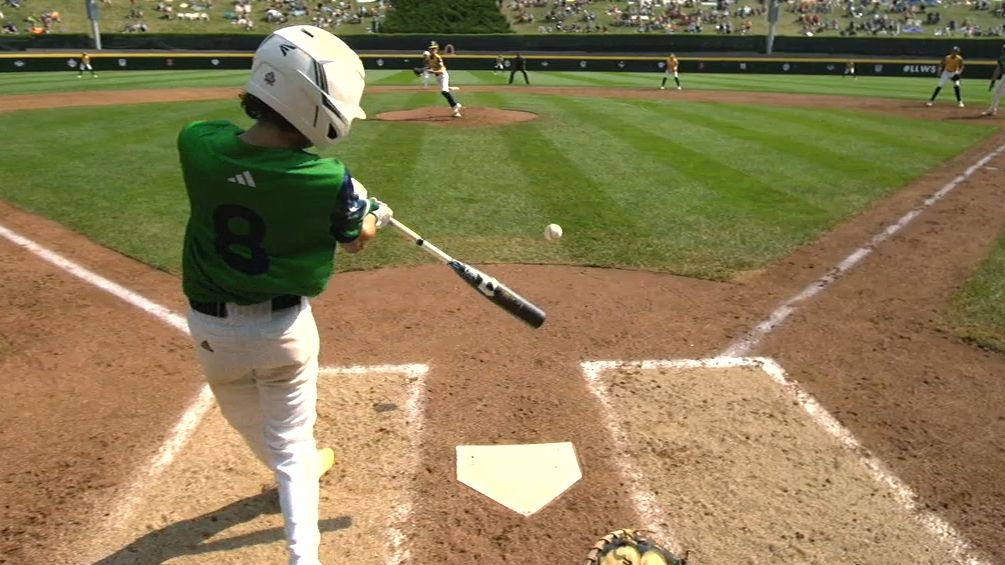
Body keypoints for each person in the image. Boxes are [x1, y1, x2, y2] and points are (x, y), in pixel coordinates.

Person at [176, 24, 393, 565]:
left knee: (253, 428)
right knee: (295, 447)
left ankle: (287, 470)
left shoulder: (196, 147)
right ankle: (304, 557)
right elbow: (357, 242)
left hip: (211, 335)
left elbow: (228, 143)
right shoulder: (327, 179)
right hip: (284, 332)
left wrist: (348, 200)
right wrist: (371, 215)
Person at [425, 41, 462, 117]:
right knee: (445, 91)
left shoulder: (438, 58)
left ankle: (456, 106)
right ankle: (455, 111)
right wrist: (423, 70)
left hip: (443, 75)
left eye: (434, 48)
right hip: (437, 77)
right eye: (431, 49)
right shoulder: (428, 58)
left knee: (444, 92)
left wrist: (432, 71)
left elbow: (441, 70)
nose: (433, 50)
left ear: (437, 49)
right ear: (429, 49)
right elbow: (429, 67)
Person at [982, 43, 1005, 116]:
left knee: (997, 93)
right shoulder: (1001, 59)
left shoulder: (1001, 58)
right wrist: (993, 81)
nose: (1003, 51)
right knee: (997, 93)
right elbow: (997, 70)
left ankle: (992, 109)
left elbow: (997, 70)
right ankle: (992, 109)